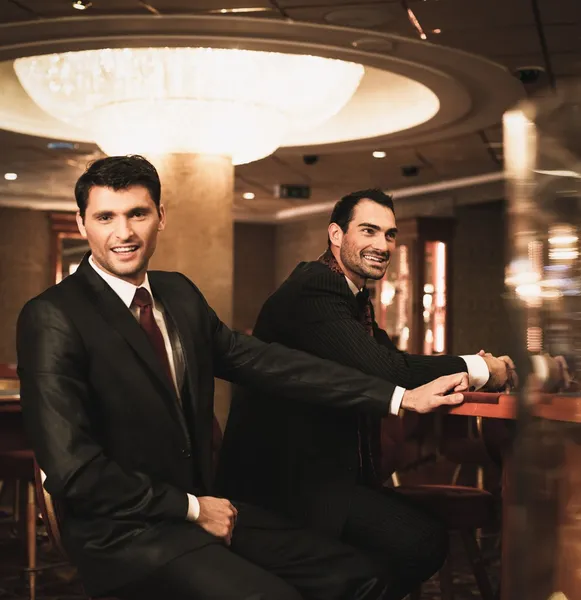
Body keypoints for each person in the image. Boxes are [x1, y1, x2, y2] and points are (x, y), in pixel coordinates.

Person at [17, 161, 469, 600]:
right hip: (124, 533)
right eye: (105, 217)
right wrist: (193, 508)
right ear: (81, 223)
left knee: (359, 576)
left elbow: (272, 364)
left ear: (160, 216)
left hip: (206, 510)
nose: (124, 233)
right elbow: (75, 472)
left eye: (138, 213)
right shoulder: (53, 316)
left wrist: (397, 396)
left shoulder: (178, 293)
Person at [218, 188, 517, 600]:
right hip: (282, 484)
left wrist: (471, 367)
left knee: (414, 542)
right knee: (421, 542)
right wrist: (484, 368)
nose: (383, 245)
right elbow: (390, 371)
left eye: (390, 235)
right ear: (336, 234)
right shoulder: (316, 288)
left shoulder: (353, 297)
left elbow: (394, 360)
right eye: (369, 231)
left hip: (324, 474)